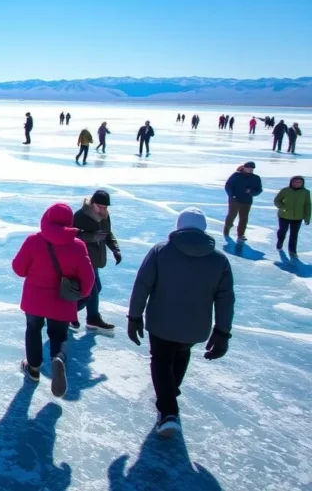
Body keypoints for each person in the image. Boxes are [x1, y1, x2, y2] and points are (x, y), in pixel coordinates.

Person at [127, 208, 234, 437]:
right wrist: (222, 332)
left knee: (161, 360)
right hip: (195, 327)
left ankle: (168, 411)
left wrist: (134, 316)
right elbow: (225, 299)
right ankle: (170, 393)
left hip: (160, 323)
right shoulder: (219, 260)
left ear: (179, 225)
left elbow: (142, 284)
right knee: (181, 353)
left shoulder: (160, 251)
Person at [12, 203, 95, 397]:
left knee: (33, 330)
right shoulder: (77, 245)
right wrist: (79, 297)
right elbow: (89, 280)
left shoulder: (33, 241)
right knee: (58, 335)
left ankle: (33, 369)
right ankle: (58, 358)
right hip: (62, 302)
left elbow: (18, 268)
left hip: (34, 300)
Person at [73, 190, 121, 331]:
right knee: (91, 290)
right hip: (82, 260)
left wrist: (115, 249)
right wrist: (91, 237)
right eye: (100, 206)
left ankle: (68, 314)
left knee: (96, 288)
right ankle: (90, 317)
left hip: (95, 260)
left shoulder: (104, 215)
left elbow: (108, 233)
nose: (103, 210)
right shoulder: (80, 216)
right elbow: (71, 235)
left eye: (106, 207)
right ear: (92, 204)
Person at [224, 161, 262, 242]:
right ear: (244, 167)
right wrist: (231, 195)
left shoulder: (256, 178)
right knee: (232, 215)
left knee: (244, 218)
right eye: (248, 167)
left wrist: (251, 192)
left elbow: (259, 190)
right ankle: (226, 230)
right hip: (235, 200)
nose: (250, 169)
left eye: (252, 168)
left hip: (247, 200)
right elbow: (228, 186)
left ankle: (241, 234)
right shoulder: (236, 175)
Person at [275, 176, 310, 256]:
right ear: (291, 182)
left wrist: (307, 217)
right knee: (282, 231)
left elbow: (307, 205)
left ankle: (292, 251)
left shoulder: (306, 192)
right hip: (284, 216)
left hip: (298, 217)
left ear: (302, 183)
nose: (297, 184)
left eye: (299, 182)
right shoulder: (285, 190)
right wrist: (283, 207)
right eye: (295, 182)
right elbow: (277, 200)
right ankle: (280, 241)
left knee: (294, 234)